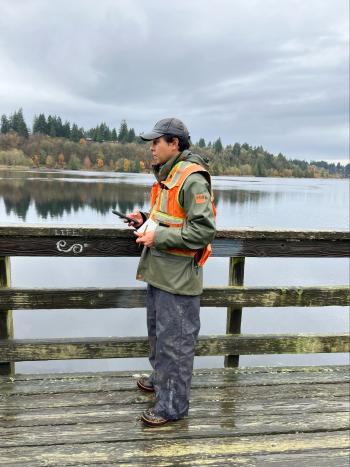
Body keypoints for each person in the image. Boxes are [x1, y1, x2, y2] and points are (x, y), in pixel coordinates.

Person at [125, 117, 216, 427]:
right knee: (159, 336)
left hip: (178, 280)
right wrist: (144, 220)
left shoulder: (191, 178)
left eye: (156, 142)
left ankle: (172, 407)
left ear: (174, 144)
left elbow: (203, 231)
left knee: (175, 344)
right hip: (160, 272)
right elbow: (168, 218)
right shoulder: (169, 176)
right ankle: (160, 382)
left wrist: (157, 236)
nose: (152, 147)